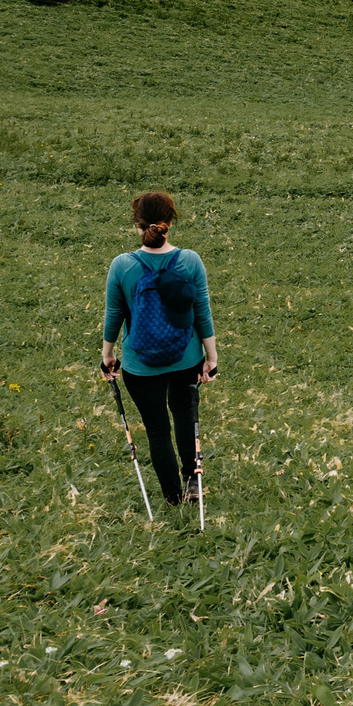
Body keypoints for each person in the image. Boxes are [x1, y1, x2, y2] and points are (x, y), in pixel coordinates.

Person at [102, 190, 218, 508]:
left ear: (137, 225)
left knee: (156, 429)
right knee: (184, 417)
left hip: (140, 366)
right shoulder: (190, 261)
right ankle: (192, 483)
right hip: (186, 358)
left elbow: (115, 315)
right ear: (170, 222)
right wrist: (212, 357)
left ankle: (172, 499)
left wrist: (107, 354)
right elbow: (201, 312)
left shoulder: (122, 266)